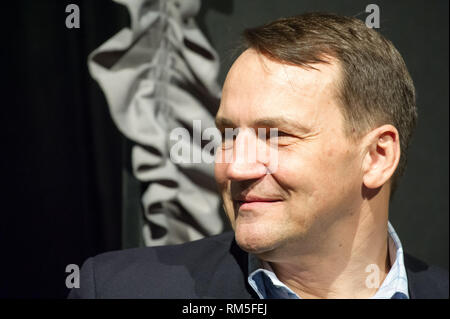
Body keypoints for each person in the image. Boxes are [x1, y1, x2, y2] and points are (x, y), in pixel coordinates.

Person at [69, 12, 448, 299]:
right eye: (229, 135)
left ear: (377, 157)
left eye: (277, 135)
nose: (236, 166)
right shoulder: (123, 289)